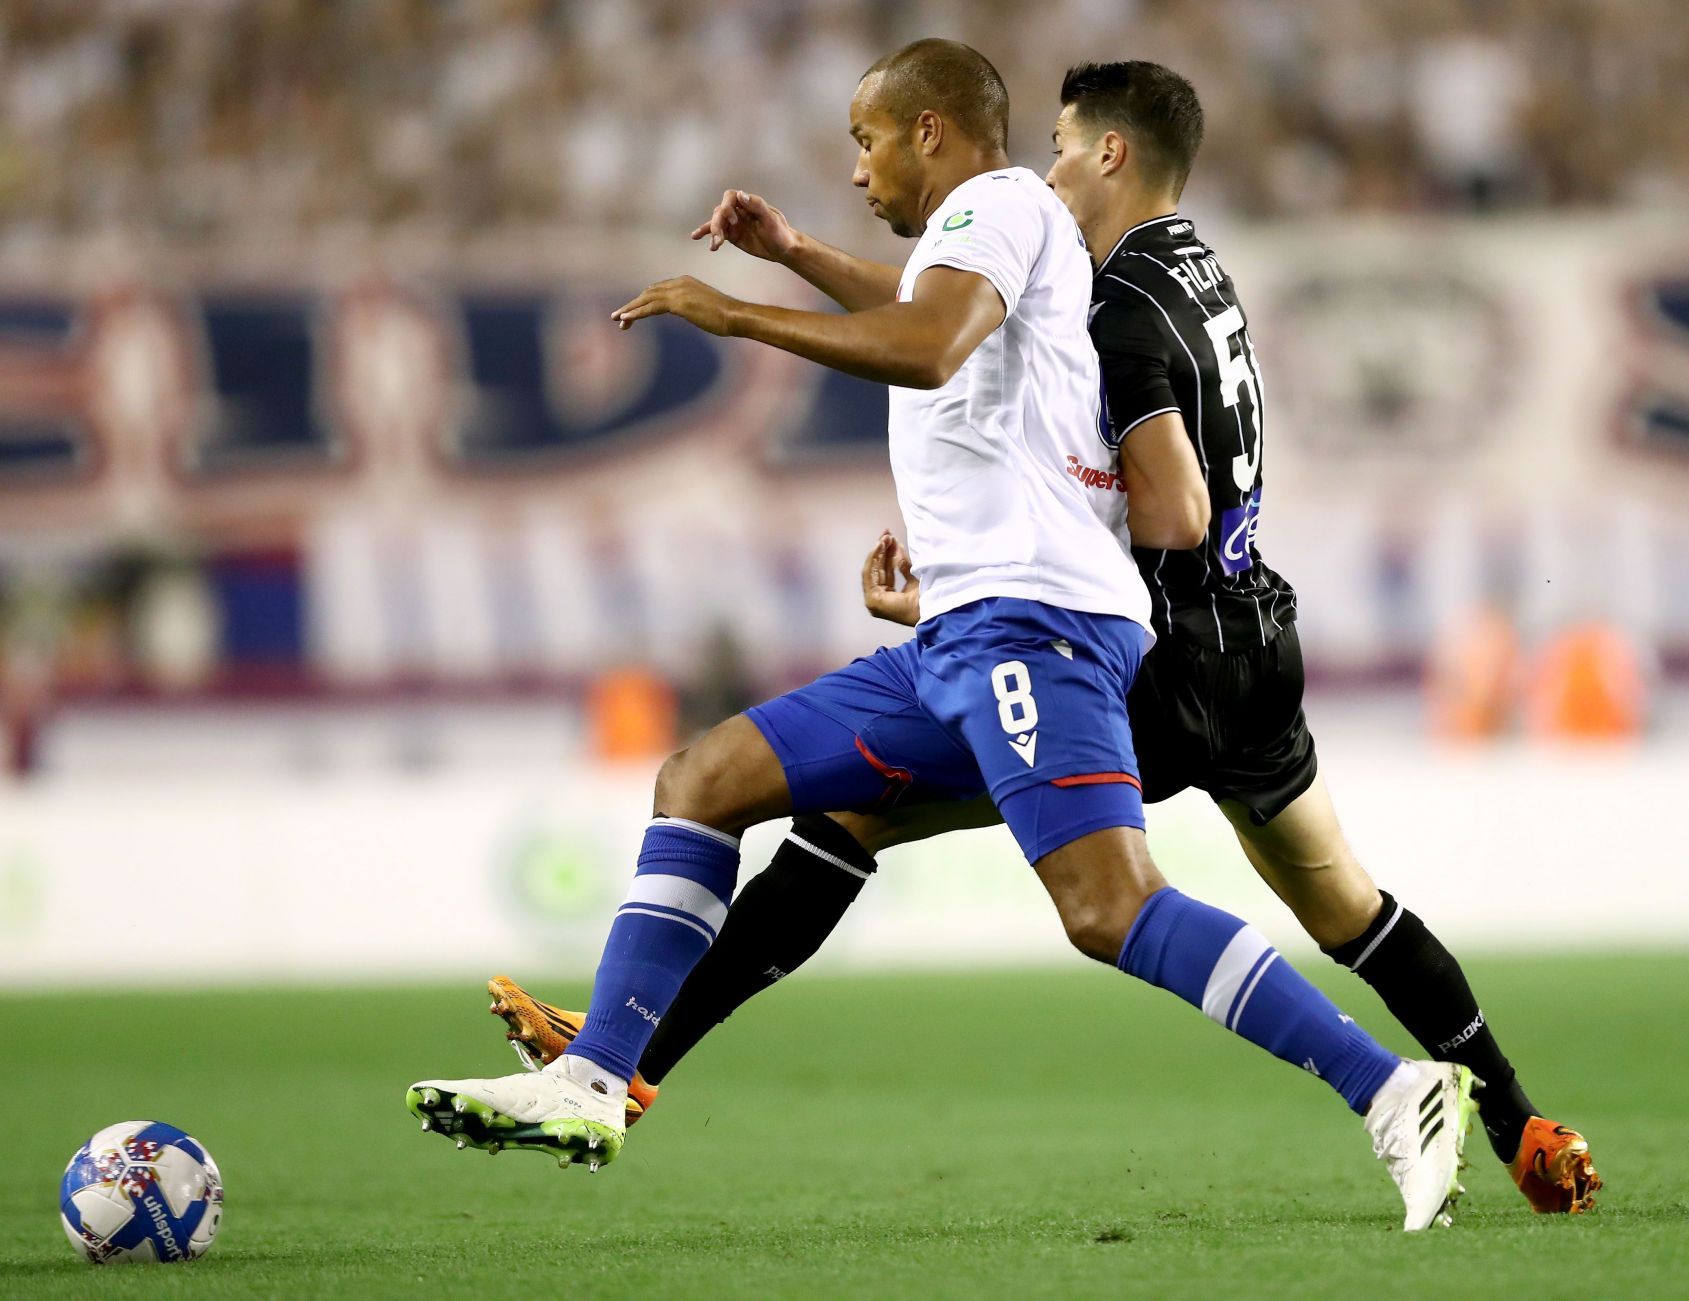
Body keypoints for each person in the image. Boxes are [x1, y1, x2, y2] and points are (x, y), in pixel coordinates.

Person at [407, 39, 1476, 1230]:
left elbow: (927, 346)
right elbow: (928, 313)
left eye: (865, 140)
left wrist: (739, 314)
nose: (856, 170)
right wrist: (799, 256)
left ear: (931, 132)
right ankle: (595, 1078)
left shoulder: (1000, 200)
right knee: (699, 778)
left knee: (1107, 907)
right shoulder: (998, 232)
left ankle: (1395, 1088)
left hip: (1039, 625)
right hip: (966, 632)